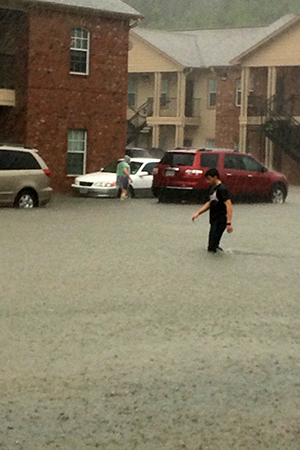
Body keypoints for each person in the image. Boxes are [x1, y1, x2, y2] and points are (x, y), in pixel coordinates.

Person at [191, 168, 233, 253]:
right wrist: (198, 213)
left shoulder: (222, 189)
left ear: (215, 177)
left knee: (212, 246)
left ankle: (218, 258)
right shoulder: (212, 188)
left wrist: (228, 223)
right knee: (212, 245)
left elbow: (229, 205)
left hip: (221, 220)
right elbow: (209, 203)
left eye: (209, 179)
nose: (207, 181)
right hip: (213, 219)